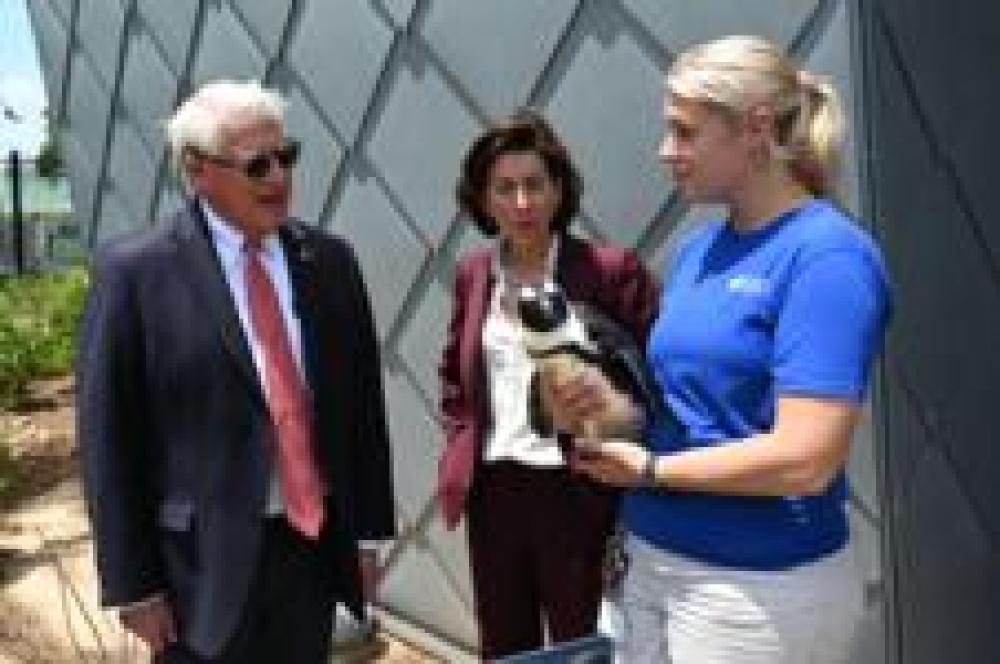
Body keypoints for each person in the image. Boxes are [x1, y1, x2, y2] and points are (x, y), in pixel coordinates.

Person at [545, 36, 894, 663]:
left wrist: (652, 472)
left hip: (756, 589)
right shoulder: (696, 253)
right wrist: (603, 408)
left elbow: (807, 458)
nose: (665, 152)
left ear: (755, 128)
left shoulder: (827, 259)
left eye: (684, 132)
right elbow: (681, 415)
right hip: (650, 563)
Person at [76, 79, 395, 664]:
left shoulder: (329, 261)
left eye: (287, 156)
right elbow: (108, 438)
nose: (278, 176)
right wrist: (132, 583)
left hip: (311, 552)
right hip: (197, 572)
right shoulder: (135, 272)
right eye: (257, 164)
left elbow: (362, 409)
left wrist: (369, 534)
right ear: (198, 171)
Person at [436, 108, 660, 660]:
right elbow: (455, 377)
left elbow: (655, 379)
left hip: (579, 489)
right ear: (483, 200)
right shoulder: (474, 274)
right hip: (494, 491)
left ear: (559, 190)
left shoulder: (608, 271)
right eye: (505, 188)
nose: (522, 203)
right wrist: (459, 447)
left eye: (535, 185)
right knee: (504, 644)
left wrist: (615, 423)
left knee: (583, 642)